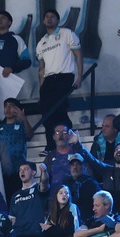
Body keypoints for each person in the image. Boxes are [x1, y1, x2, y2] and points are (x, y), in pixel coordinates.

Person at [35, 10, 82, 150]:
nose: (49, 19)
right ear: (43, 21)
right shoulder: (41, 42)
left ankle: (67, 138)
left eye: (52, 17)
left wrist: (79, 76)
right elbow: (41, 67)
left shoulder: (66, 33)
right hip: (48, 79)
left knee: (57, 108)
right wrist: (42, 86)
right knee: (46, 110)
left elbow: (78, 55)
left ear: (58, 20)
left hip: (64, 76)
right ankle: (51, 145)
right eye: (46, 17)